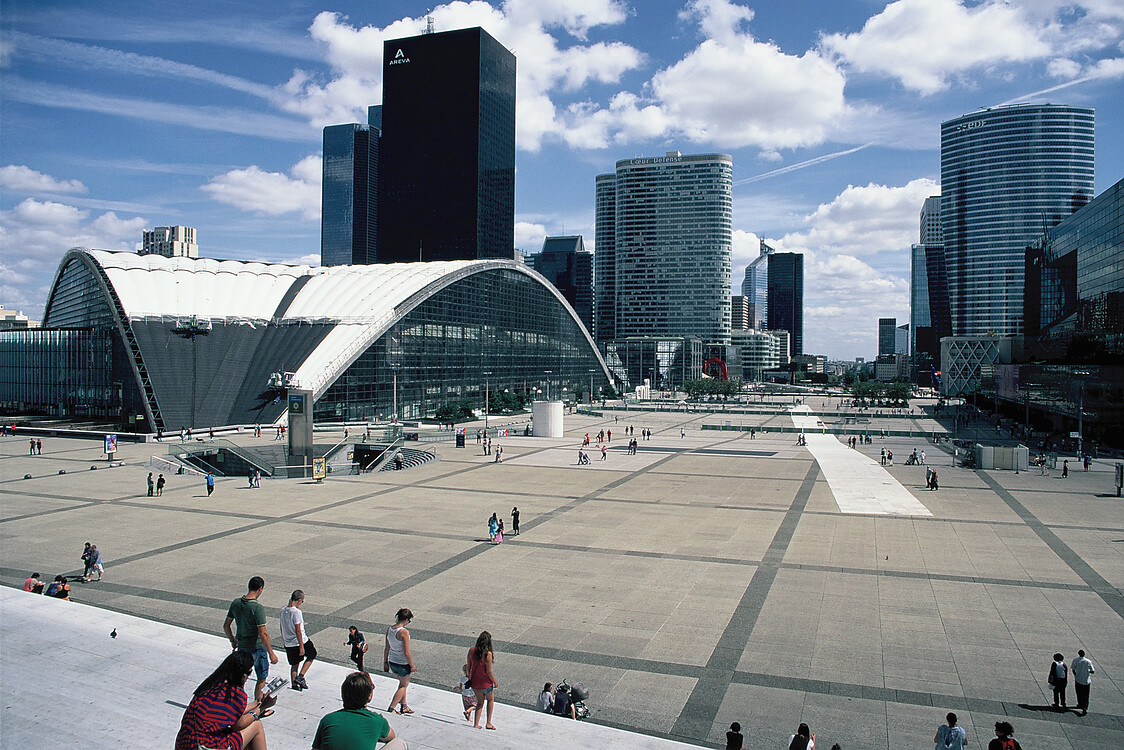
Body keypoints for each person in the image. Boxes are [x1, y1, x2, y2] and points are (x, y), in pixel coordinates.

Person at [175, 651, 275, 750]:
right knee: (256, 725)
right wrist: (262, 708)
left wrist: (256, 703)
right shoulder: (235, 694)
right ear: (243, 674)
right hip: (205, 745)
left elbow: (233, 713)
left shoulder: (211, 685)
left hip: (185, 741)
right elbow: (239, 724)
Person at [312, 672, 405, 750]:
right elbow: (391, 737)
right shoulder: (377, 721)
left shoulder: (328, 720)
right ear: (369, 696)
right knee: (399, 743)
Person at [224, 576, 279, 702]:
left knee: (241, 678)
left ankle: (236, 704)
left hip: (242, 647)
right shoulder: (257, 608)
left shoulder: (236, 603)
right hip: (257, 648)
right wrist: (271, 654)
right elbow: (263, 633)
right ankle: (257, 707)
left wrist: (232, 640)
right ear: (260, 589)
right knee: (261, 678)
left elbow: (226, 625)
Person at [280, 589, 317, 691]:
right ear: (299, 600)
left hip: (288, 643)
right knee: (312, 654)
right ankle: (300, 676)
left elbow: (282, 627)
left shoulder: (283, 611)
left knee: (294, 664)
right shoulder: (297, 612)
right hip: (300, 641)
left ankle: (294, 684)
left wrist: (284, 641)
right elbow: (298, 630)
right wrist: (301, 646)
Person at [384, 608, 416, 714]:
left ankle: (404, 706)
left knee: (402, 683)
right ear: (406, 620)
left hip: (392, 661)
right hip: (403, 663)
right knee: (403, 686)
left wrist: (385, 662)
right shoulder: (404, 632)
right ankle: (391, 708)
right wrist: (412, 665)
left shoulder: (390, 629)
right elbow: (407, 652)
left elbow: (387, 647)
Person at [467, 630, 497, 730]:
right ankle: (488, 723)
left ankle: (476, 724)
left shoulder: (472, 650)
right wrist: (495, 682)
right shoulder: (487, 654)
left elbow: (468, 666)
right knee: (490, 700)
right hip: (486, 683)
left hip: (475, 682)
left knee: (479, 703)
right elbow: (488, 671)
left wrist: (469, 676)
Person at [1071, 649, 1095, 715]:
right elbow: (1092, 671)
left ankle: (1080, 704)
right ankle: (1085, 707)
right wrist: (1087, 671)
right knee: (1086, 694)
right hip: (1086, 681)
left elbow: (1073, 669)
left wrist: (1076, 674)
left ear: (1078, 654)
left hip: (1078, 679)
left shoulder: (1075, 660)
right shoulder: (1088, 661)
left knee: (1079, 692)